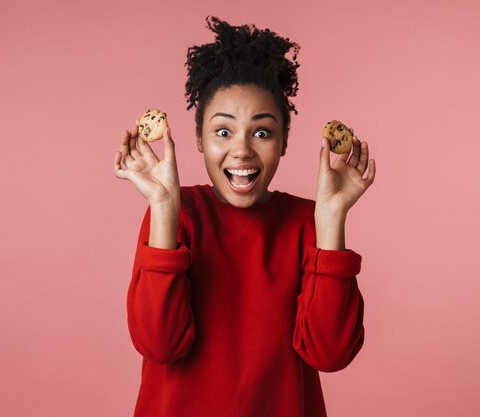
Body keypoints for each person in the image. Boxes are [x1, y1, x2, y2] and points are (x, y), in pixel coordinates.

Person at [113, 16, 376, 417]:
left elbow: (330, 353)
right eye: (223, 132)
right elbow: (158, 344)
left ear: (284, 142)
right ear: (199, 139)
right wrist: (164, 206)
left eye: (262, 132)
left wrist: (332, 218)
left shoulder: (309, 223)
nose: (242, 151)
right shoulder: (176, 214)